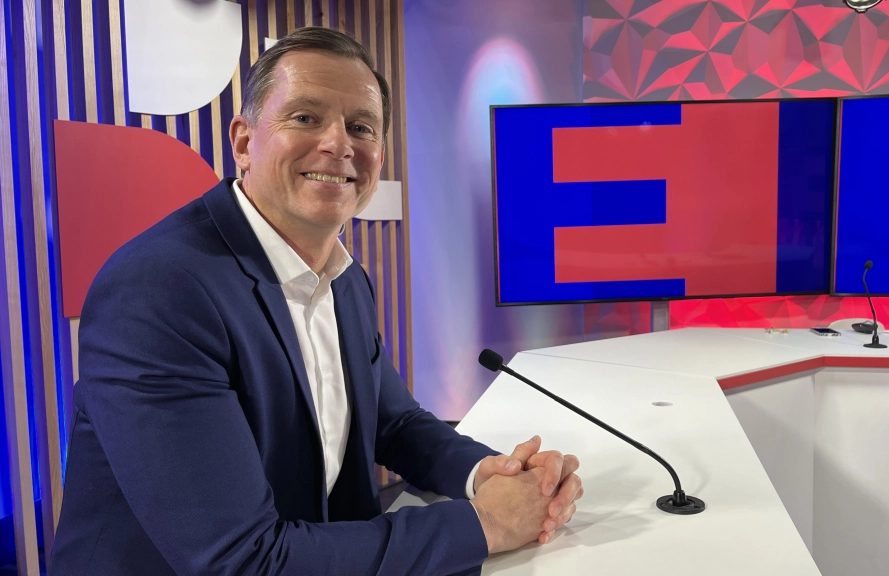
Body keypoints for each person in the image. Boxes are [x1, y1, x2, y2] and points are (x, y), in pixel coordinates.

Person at [50, 27, 582, 576]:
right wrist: (486, 523)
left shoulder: (344, 277)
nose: (338, 144)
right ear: (243, 142)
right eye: (305, 117)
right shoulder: (158, 291)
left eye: (361, 127)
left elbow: (393, 424)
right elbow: (241, 560)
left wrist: (490, 474)